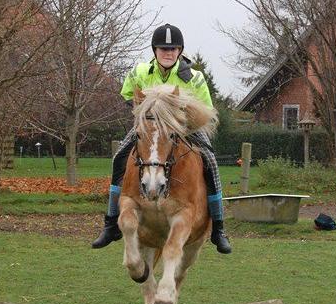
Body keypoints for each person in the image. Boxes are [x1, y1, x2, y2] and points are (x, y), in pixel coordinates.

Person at [92, 23, 232, 254]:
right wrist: (145, 114)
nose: (168, 53)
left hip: (184, 128)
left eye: (173, 49)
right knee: (119, 158)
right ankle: (110, 223)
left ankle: (219, 229)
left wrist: (179, 117)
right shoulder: (139, 72)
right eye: (163, 49)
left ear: (179, 51)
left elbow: (206, 108)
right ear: (154, 50)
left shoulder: (194, 78)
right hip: (149, 127)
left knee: (211, 163)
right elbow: (127, 94)